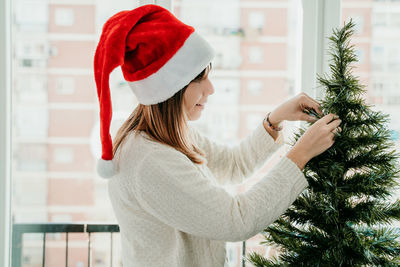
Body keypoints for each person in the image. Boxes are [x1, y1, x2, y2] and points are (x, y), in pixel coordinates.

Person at [93, 4, 342, 267]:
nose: (210, 89)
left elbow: (233, 165)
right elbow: (235, 221)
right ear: (171, 87)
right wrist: (300, 155)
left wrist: (275, 119)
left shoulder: (172, 135)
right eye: (199, 79)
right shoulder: (148, 159)